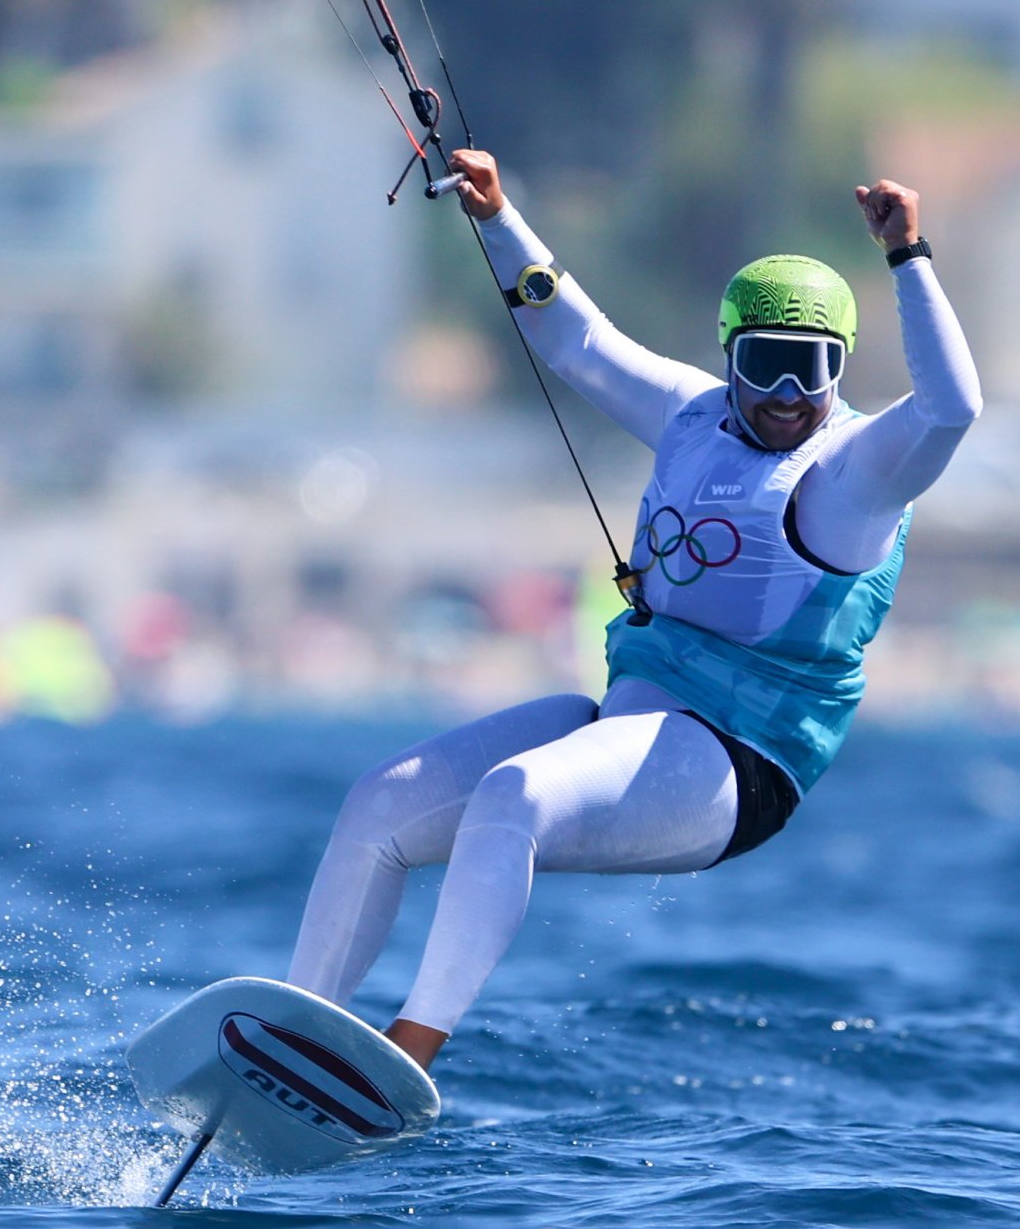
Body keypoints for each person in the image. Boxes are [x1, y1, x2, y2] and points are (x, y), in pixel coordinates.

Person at [284, 148, 982, 1068]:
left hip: (737, 766)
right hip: (631, 719)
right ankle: (288, 1038)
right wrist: (498, 217)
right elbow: (574, 338)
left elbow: (954, 407)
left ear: (841, 370)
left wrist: (909, 255)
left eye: (809, 370)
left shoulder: (858, 474)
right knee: (382, 803)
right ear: (729, 356)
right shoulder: (693, 415)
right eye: (764, 365)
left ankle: (408, 1049)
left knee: (515, 794)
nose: (785, 396)